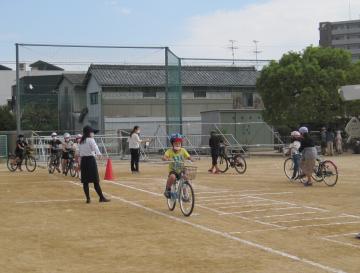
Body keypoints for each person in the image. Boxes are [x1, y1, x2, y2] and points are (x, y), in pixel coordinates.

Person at [79, 125, 110, 203]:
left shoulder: (81, 141)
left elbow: (81, 152)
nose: (93, 134)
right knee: (95, 181)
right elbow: (95, 148)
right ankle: (101, 197)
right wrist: (99, 154)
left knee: (85, 182)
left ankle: (88, 199)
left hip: (83, 161)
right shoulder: (91, 140)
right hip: (90, 161)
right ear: (89, 133)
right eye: (92, 132)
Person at [163, 133, 193, 198]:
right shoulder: (169, 151)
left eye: (179, 143)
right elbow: (164, 157)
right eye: (176, 143)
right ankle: (167, 189)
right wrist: (167, 158)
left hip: (181, 169)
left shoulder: (183, 150)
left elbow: (188, 156)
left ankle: (185, 194)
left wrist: (191, 159)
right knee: (172, 177)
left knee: (186, 176)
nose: (178, 145)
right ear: (172, 144)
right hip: (173, 170)